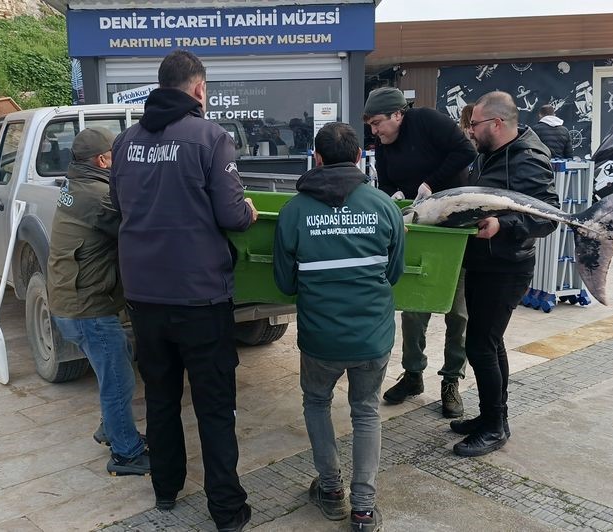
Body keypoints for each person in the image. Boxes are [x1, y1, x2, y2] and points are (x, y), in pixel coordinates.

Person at [109, 49, 256, 532]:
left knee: (161, 397)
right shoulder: (211, 137)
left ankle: (166, 489)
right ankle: (227, 511)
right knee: (214, 407)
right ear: (198, 90)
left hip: (145, 296)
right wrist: (249, 212)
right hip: (200, 297)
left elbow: (119, 204)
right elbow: (232, 215)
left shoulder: (126, 142)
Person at [273, 122, 404, 532]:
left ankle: (330, 492)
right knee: (365, 411)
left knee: (317, 403)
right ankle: (363, 509)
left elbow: (284, 282)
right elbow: (394, 273)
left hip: (320, 337)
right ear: (359, 157)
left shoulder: (293, 211)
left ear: (317, 159)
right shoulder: (384, 206)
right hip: (372, 335)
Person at [450, 91, 558, 457]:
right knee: (488, 343)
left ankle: (495, 426)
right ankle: (489, 417)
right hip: (484, 262)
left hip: (506, 267)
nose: (470, 130)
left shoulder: (529, 158)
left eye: (474, 124)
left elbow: (548, 217)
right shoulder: (489, 154)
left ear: (496, 123)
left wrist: (503, 224)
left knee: (481, 345)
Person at [362, 86, 474, 418]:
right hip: (417, 227)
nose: (374, 131)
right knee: (413, 306)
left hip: (453, 223)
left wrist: (431, 183)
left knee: (458, 309)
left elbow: (464, 151)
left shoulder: (426, 121)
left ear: (398, 114)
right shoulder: (383, 144)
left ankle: (451, 380)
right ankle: (413, 374)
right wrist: (391, 197)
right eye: (370, 125)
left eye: (378, 123)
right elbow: (383, 183)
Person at [46, 127, 149, 476]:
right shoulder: (97, 195)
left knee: (111, 372)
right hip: (87, 307)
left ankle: (113, 429)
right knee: (119, 379)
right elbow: (137, 227)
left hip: (70, 301)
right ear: (103, 160)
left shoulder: (74, 186)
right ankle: (125, 453)